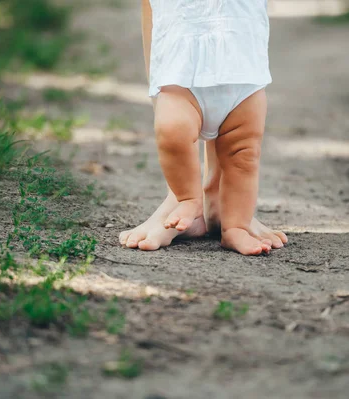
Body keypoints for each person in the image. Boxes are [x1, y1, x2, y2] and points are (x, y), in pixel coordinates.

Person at [119, 0, 288, 255]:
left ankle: (235, 226)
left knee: (243, 157)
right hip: (180, 75)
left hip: (244, 74)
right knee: (172, 133)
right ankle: (187, 198)